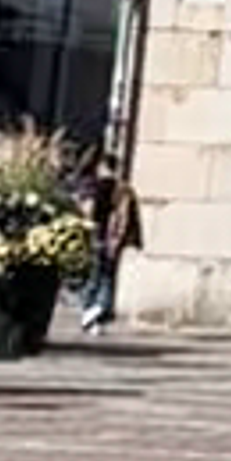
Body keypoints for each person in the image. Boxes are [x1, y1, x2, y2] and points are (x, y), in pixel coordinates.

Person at [75, 143, 140, 341]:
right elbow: (128, 217)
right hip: (111, 239)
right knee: (107, 278)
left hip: (97, 236)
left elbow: (87, 211)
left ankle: (91, 312)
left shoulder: (94, 187)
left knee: (95, 277)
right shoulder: (123, 189)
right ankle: (96, 314)